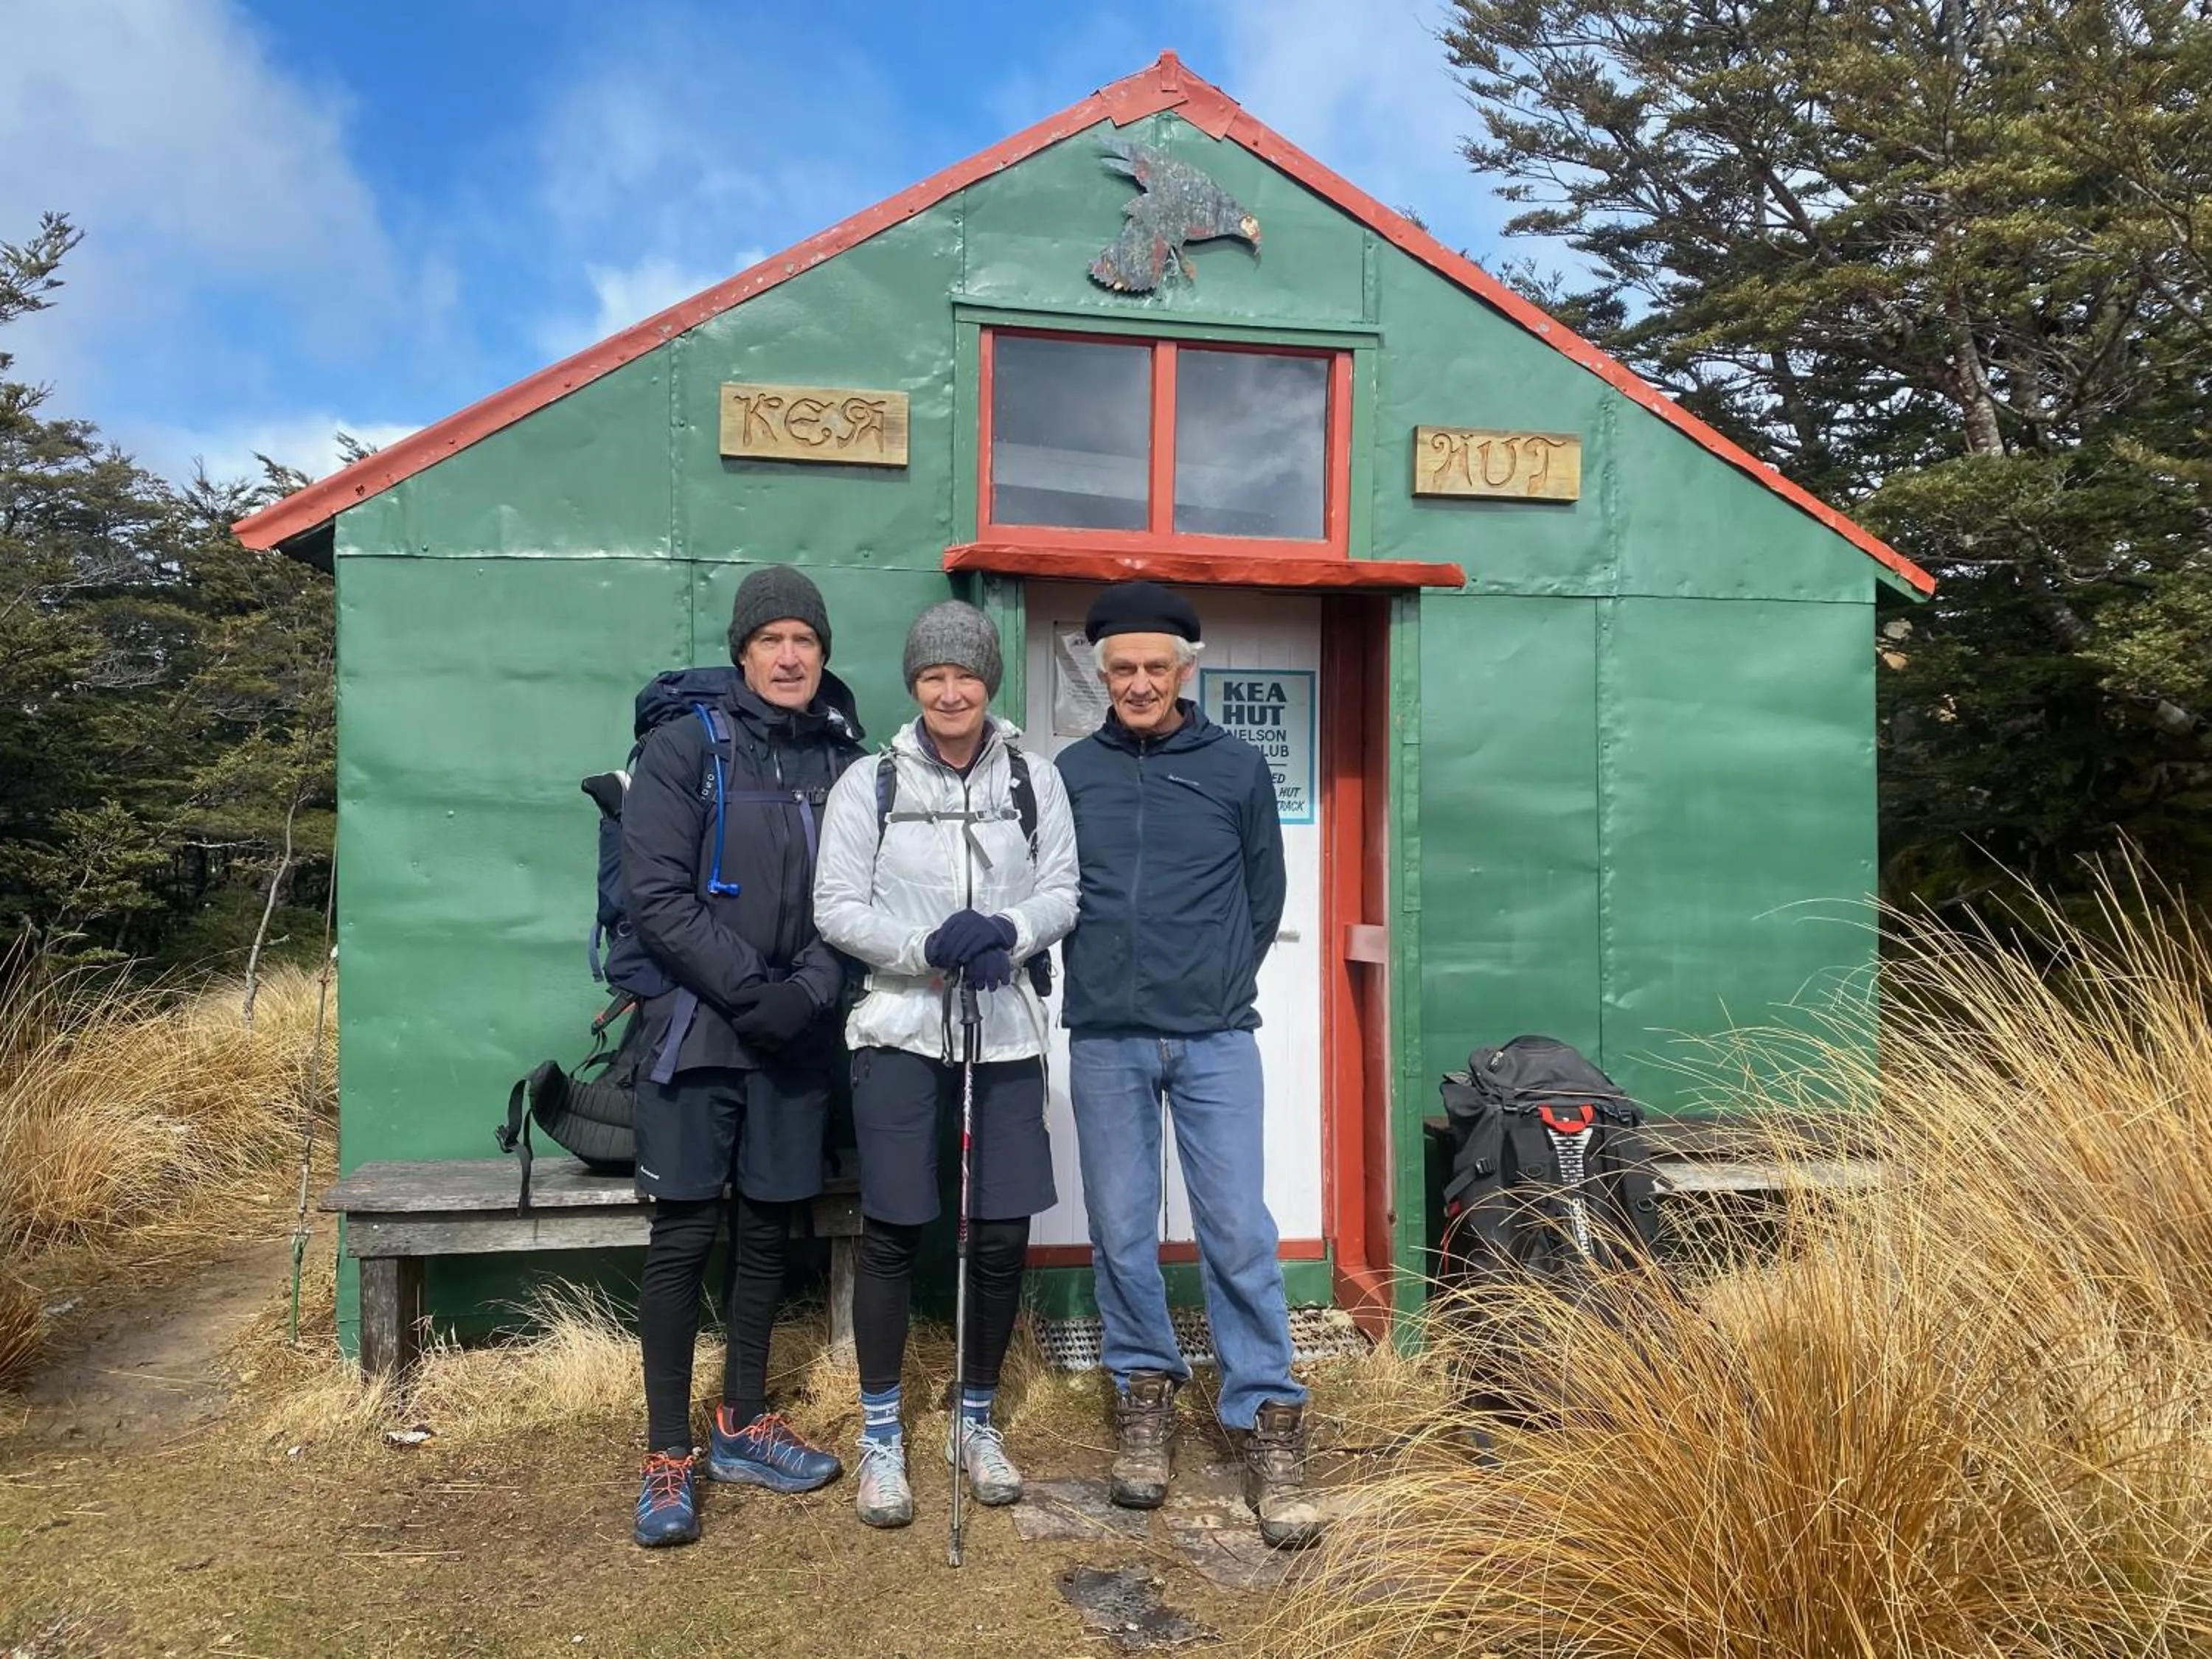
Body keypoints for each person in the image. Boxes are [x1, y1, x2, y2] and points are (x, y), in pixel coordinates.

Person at [1053, 580, 1325, 1550]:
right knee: (1123, 1231)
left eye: (1153, 667)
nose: (1136, 681)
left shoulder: (1238, 766)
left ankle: (1265, 1418)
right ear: (1101, 671)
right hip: (1107, 1036)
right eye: (1120, 667)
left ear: (1186, 669)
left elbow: (1263, 893)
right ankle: (1142, 1392)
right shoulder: (1070, 772)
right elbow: (1049, 889)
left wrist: (1212, 981)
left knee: (1237, 1230)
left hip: (1214, 1037)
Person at [812, 599, 1079, 1529]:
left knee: (1000, 1235)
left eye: (966, 674)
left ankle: (975, 1422)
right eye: (934, 675)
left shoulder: (1034, 781)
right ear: (914, 684)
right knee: (894, 1229)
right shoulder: (868, 784)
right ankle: (881, 1437)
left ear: (989, 680)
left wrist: (1005, 929)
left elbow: (1063, 893)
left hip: (1003, 1032)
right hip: (899, 1031)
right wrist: (933, 945)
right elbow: (836, 909)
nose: (951, 690)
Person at [621, 565, 863, 1548]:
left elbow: (858, 892)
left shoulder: (845, 765)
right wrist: (755, 992)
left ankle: (741, 1421)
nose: (791, 655)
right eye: (773, 639)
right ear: (744, 651)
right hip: (700, 1029)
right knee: (684, 1235)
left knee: (770, 1228)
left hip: (796, 1032)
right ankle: (667, 1450)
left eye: (806, 639)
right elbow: (658, 894)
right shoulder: (684, 747)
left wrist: (806, 989)